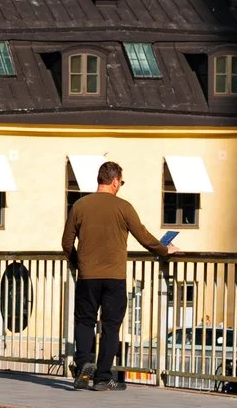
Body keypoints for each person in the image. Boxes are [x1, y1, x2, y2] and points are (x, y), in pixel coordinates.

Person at [61, 160, 175, 390]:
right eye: (120, 182)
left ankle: (83, 366)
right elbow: (143, 236)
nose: (120, 185)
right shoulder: (124, 207)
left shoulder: (80, 206)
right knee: (111, 326)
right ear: (114, 181)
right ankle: (103, 377)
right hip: (115, 277)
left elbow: (66, 243)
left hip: (87, 276)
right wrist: (165, 250)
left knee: (85, 321)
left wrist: (78, 262)